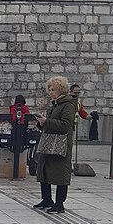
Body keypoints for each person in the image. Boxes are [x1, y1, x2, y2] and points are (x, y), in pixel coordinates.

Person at [33, 76, 76, 214]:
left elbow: (66, 125)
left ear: (61, 90)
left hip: (61, 144)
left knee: (60, 174)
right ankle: (46, 199)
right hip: (49, 142)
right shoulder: (54, 104)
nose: (51, 92)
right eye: (50, 89)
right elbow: (48, 124)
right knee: (44, 169)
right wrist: (41, 122)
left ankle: (59, 203)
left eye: (54, 89)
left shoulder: (68, 105)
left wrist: (47, 121)